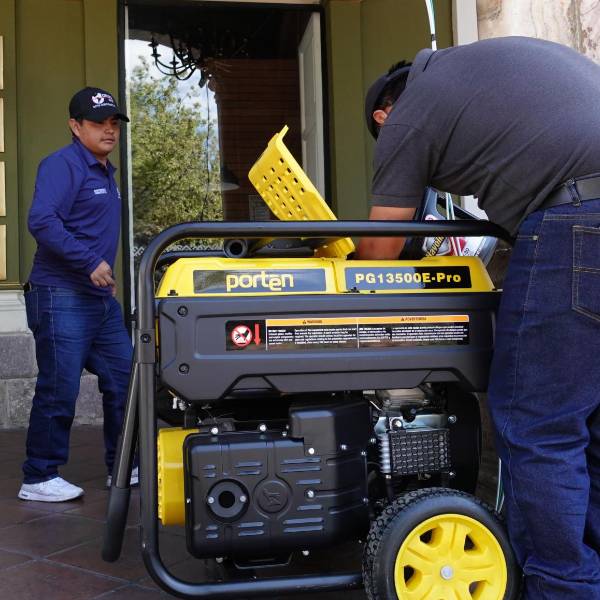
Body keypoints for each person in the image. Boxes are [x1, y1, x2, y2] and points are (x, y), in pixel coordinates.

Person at [358, 37, 600, 599]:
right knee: (589, 425)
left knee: (538, 424)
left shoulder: (408, 115)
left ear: (382, 116)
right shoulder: (480, 72)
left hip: (577, 221)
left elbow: (377, 252)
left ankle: (562, 588)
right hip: (583, 214)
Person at [18, 87, 136, 502]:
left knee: (126, 380)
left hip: (98, 299)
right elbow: (42, 221)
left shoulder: (106, 172)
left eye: (113, 123)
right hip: (60, 294)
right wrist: (90, 262)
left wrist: (98, 272)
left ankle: (124, 466)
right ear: (75, 125)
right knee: (60, 387)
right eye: (98, 123)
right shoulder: (62, 165)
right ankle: (39, 476)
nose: (109, 130)